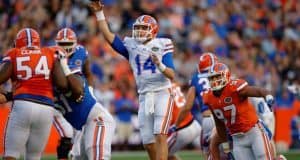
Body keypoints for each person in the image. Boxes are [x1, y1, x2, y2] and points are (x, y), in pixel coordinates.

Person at [89, 2, 176, 160]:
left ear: (153, 30)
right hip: (143, 95)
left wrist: (160, 65)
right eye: (138, 28)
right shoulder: (131, 45)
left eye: (144, 28)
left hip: (163, 92)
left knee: (160, 135)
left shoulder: (163, 44)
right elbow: (109, 36)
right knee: (148, 143)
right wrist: (99, 14)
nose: (140, 31)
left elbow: (172, 75)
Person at [0, 28, 82, 160]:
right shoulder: (49, 52)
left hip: (23, 104)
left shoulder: (14, 53)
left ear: (18, 43)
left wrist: (9, 95)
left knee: (11, 153)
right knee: (34, 156)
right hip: (46, 107)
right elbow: (62, 84)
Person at [54, 27, 116, 160]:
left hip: (96, 119)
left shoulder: (77, 61)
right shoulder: (51, 66)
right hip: (82, 125)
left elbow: (79, 83)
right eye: (62, 44)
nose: (65, 48)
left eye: (67, 44)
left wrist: (91, 91)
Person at [203, 62, 275, 160]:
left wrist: (267, 95)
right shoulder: (209, 98)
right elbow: (219, 124)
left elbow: (257, 90)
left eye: (217, 77)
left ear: (226, 75)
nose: (215, 81)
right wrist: (226, 148)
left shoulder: (234, 88)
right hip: (237, 139)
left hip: (254, 131)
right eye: (212, 78)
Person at [175, 52, 217, 159]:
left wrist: (176, 125)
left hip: (210, 119)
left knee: (208, 153)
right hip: (225, 116)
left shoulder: (196, 78)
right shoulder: (221, 73)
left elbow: (188, 106)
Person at [167, 83, 201, 160]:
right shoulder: (175, 85)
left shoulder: (163, 89)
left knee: (158, 152)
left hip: (182, 128)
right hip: (194, 123)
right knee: (168, 155)